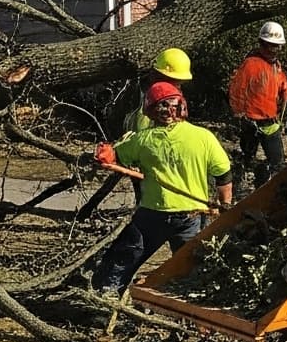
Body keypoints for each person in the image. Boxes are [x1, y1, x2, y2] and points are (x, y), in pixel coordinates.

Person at [94, 82, 233, 295]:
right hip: (191, 215)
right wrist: (225, 204)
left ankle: (106, 294)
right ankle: (193, 307)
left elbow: (115, 156)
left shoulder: (143, 141)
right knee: (191, 267)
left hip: (153, 214)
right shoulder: (204, 137)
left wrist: (105, 153)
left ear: (150, 112)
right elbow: (223, 174)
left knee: (126, 255)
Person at [227, 21, 287, 185]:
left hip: (269, 120)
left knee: (277, 162)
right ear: (262, 44)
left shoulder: (275, 65)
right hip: (250, 121)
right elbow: (237, 90)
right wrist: (240, 114)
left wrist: (286, 90)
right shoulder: (250, 64)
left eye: (276, 46)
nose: (273, 50)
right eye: (270, 46)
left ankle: (267, 184)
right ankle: (244, 186)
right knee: (248, 159)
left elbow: (280, 81)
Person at [113, 44, 196, 135]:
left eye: (180, 82)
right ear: (161, 76)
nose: (178, 87)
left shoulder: (169, 94)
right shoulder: (142, 100)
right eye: (176, 82)